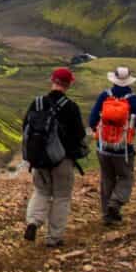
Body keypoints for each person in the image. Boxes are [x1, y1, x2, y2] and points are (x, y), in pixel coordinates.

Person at [22, 67, 88, 248]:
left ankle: (33, 222)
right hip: (62, 160)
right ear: (68, 84)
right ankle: (54, 238)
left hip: (40, 159)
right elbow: (79, 134)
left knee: (41, 191)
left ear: (52, 81)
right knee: (61, 197)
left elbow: (25, 127)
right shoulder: (71, 107)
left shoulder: (37, 103)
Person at [89, 66, 136, 225]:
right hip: (123, 149)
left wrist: (100, 133)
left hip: (103, 147)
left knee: (107, 179)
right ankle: (115, 204)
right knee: (125, 177)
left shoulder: (105, 96)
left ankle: (107, 215)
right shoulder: (134, 100)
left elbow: (92, 119)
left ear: (114, 80)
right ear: (129, 80)